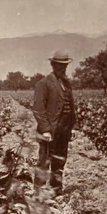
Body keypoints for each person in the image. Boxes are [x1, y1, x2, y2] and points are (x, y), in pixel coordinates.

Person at [32, 49, 76, 192]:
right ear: (53, 65)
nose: (62, 68)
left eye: (65, 65)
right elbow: (38, 109)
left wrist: (72, 127)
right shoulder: (43, 84)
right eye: (59, 65)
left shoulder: (67, 84)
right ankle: (39, 191)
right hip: (50, 130)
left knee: (60, 160)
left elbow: (71, 107)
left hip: (63, 129)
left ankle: (56, 189)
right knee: (44, 161)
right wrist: (45, 130)